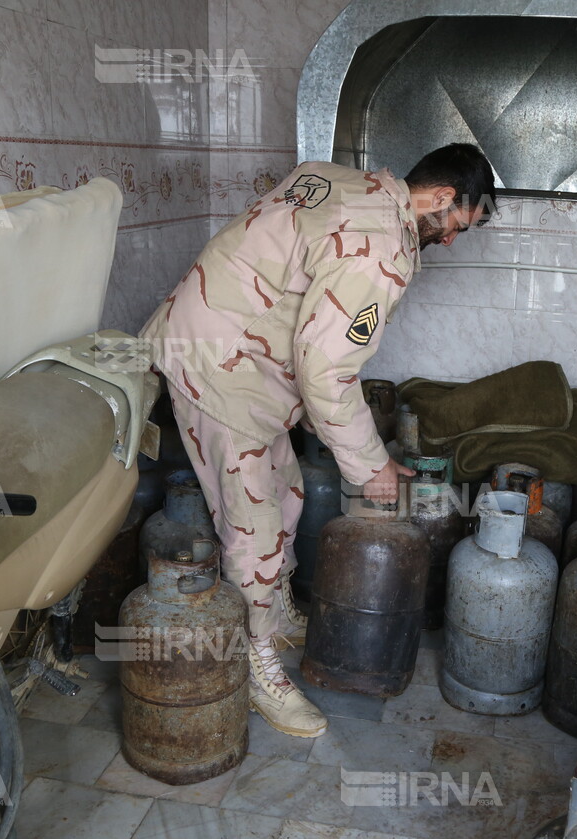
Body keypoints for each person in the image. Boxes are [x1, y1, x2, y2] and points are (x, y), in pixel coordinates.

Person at [139, 144, 496, 738]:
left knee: (289, 494)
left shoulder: (335, 178)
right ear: (439, 198)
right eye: (458, 226)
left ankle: (272, 615)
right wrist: (370, 467)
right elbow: (327, 369)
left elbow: (290, 290)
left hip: (231, 347)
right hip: (217, 364)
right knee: (251, 525)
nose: (453, 242)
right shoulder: (380, 252)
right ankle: (254, 665)